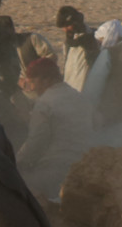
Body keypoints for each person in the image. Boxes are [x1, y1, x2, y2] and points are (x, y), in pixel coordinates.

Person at [15, 54, 94, 202]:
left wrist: (17, 163)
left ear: (46, 79)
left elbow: (36, 142)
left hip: (54, 172)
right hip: (83, 169)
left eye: (32, 82)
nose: (32, 88)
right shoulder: (80, 97)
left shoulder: (45, 104)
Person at [54, 5, 101, 92]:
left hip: (86, 89)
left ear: (76, 23)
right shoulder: (69, 42)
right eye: (63, 27)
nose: (65, 30)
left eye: (68, 26)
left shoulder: (92, 38)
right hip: (70, 88)